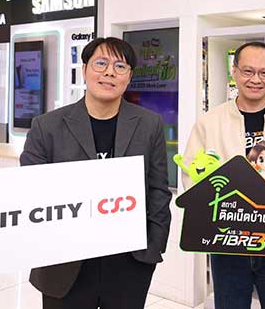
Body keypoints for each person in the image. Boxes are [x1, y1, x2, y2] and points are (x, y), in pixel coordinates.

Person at [20, 37, 172, 309]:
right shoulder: (47, 126)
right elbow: (30, 194)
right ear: (85, 69)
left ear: (129, 76)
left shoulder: (149, 124)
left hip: (129, 261)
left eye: (120, 66)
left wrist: (154, 246)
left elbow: (158, 189)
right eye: (100, 63)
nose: (109, 72)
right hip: (64, 262)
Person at [182, 41, 265, 309]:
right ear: (234, 71)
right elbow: (191, 177)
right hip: (227, 239)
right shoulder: (209, 122)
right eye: (248, 71)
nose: (256, 79)